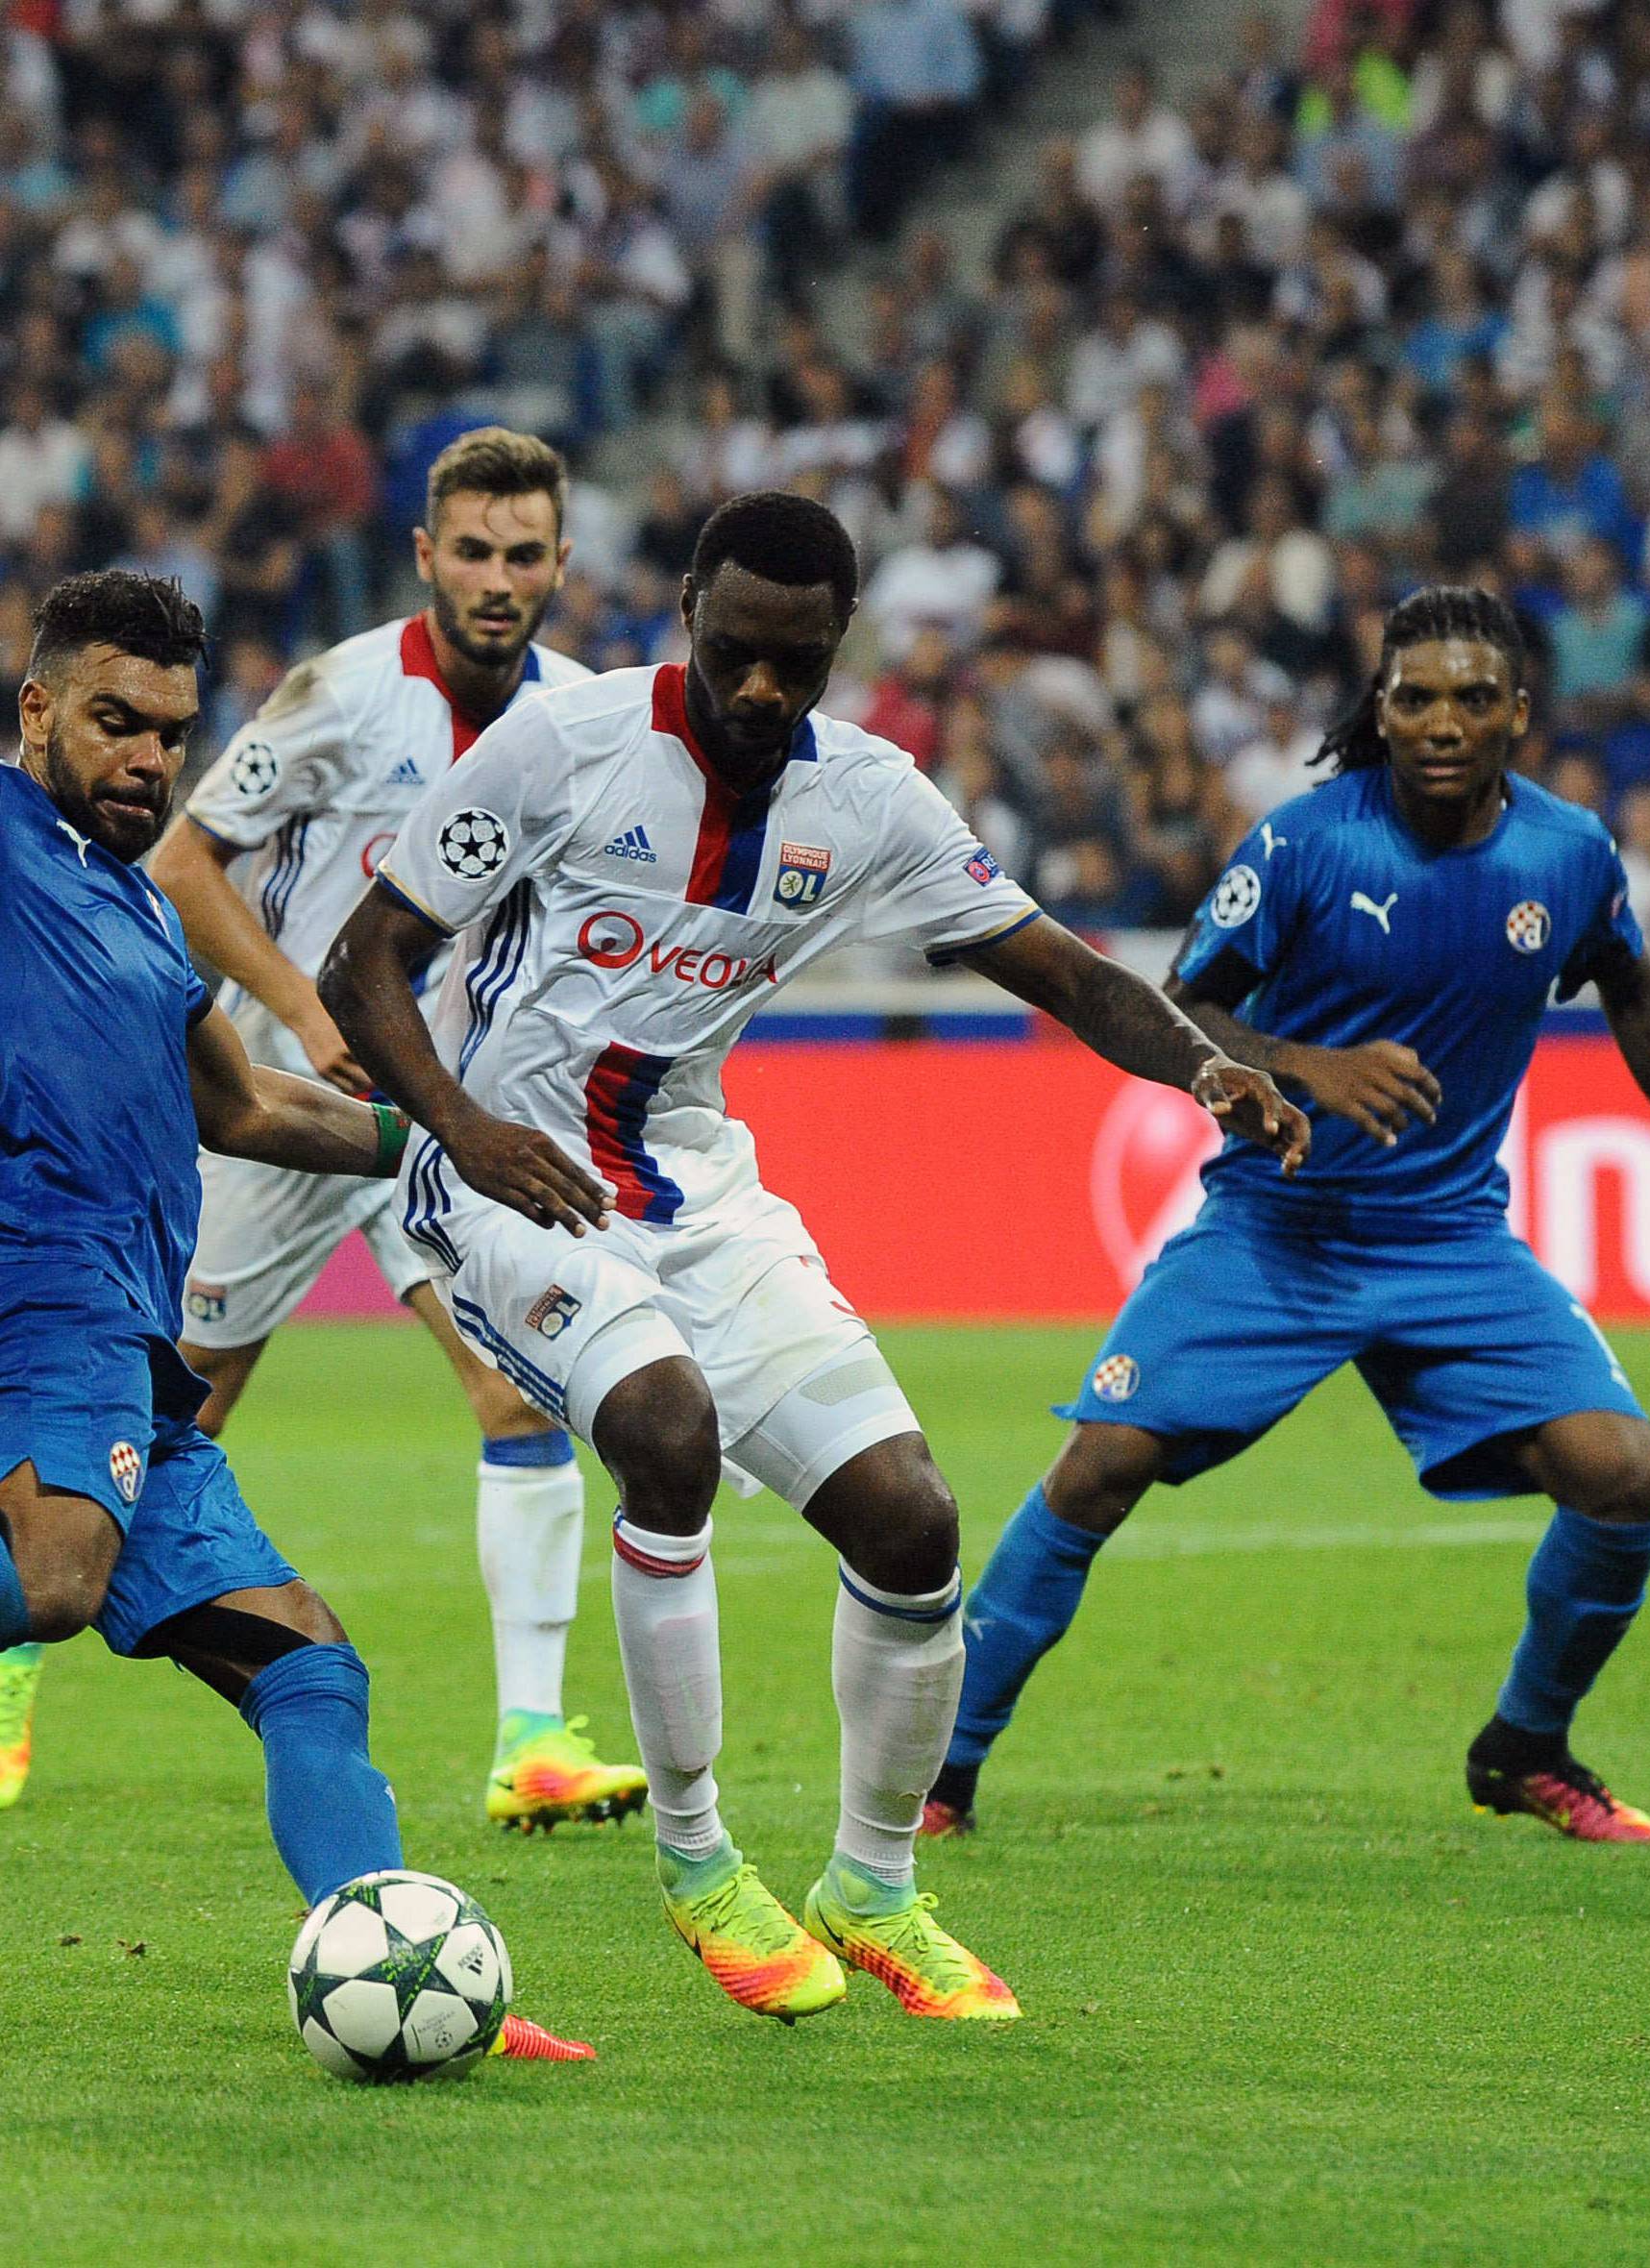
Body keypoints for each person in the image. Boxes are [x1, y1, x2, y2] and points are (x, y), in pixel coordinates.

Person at [318, 490, 1308, 2027]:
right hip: (507, 1184)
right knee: (667, 1434)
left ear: (838, 642)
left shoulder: (874, 799)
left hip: (696, 1187)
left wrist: (1202, 1067)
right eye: (733, 653)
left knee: (912, 1524)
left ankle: (876, 1887)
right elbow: (365, 957)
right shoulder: (559, 748)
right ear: (691, 610)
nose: (761, 690)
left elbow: (1053, 965)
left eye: (795, 662)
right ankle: (700, 1860)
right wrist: (453, 1125)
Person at [926, 585, 1650, 1847]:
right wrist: (1307, 1070)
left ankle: (1523, 1747)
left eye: (1473, 699)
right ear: (1380, 707)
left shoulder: (1570, 853)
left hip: (1448, 1240)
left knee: (1622, 1474)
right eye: (1416, 695)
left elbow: (1636, 991)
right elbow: (1181, 1007)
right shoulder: (1308, 843)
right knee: (1102, 1462)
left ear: (1519, 715)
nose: (1443, 721)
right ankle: (942, 1771)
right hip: (1279, 1226)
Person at [0, 570, 583, 2061]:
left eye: (170, 736)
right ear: (37, 710)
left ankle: (404, 1958)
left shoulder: (138, 914)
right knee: (58, 1577)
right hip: (31, 1298)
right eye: (114, 723)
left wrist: (456, 1137)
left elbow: (252, 1106)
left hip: (130, 1352)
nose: (148, 760)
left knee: (308, 1665)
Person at [132, 429, 644, 1837]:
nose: (496, 578)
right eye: (470, 551)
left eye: (522, 554)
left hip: (450, 1115)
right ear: (424, 555)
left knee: (518, 1384)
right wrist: (300, 1008)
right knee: (169, 1413)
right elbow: (182, 861)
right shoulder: (343, 695)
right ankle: (12, 1681)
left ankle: (535, 1738)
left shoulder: (590, 720)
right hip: (287, 1110)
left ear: (558, 566)